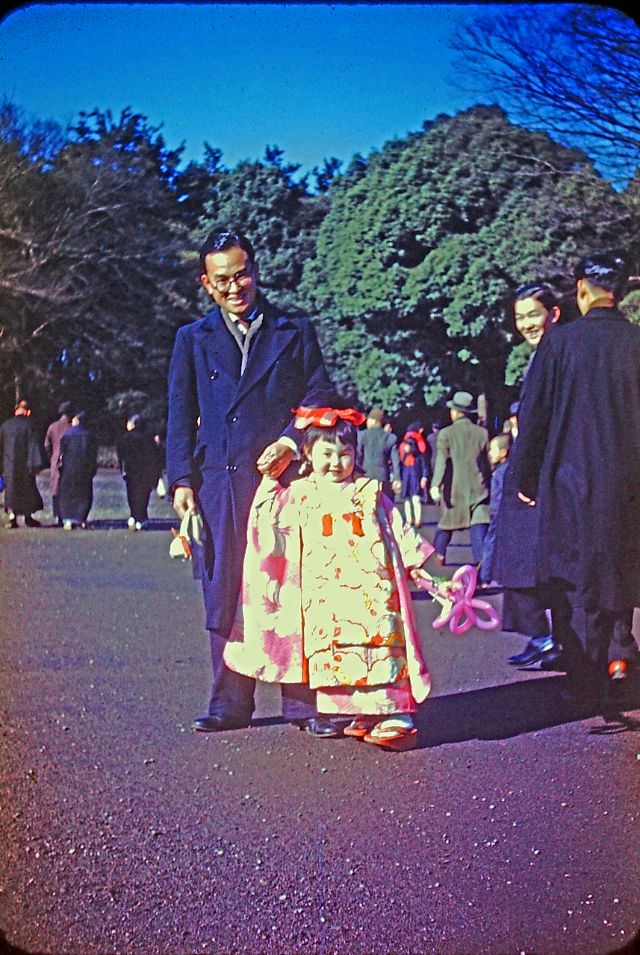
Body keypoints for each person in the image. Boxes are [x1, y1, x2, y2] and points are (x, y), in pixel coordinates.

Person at [167, 229, 332, 734]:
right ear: (207, 285)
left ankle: (304, 705)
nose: (235, 286)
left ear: (255, 271)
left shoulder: (294, 329)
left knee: (292, 586)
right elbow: (179, 412)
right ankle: (229, 703)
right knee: (224, 590)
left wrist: (290, 439)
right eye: (223, 280)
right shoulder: (191, 339)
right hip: (219, 480)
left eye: (242, 274)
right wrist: (181, 480)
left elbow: (320, 393)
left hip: (284, 483)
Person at [223, 405, 434, 751]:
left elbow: (397, 528)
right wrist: (270, 480)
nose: (336, 463)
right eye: (327, 454)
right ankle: (363, 710)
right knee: (338, 652)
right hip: (325, 594)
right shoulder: (301, 493)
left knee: (380, 646)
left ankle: (397, 713)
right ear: (307, 452)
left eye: (345, 454)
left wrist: (418, 565)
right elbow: (270, 521)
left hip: (372, 589)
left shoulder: (368, 491)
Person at [511, 252, 640, 703]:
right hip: (629, 481)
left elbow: (534, 416)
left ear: (583, 289)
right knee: (620, 561)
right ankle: (622, 649)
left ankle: (590, 677)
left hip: (569, 479)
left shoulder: (560, 344)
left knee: (575, 578)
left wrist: (523, 476)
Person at [493, 283, 563, 669]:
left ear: (553, 313)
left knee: (528, 558)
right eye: (520, 317)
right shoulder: (539, 355)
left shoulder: (559, 353)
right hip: (531, 465)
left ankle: (549, 636)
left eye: (533, 314)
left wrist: (525, 474)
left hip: (547, 471)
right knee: (517, 557)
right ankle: (539, 634)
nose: (526, 324)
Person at [430, 392, 490, 565]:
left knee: (446, 524)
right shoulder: (482, 433)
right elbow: (486, 463)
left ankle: (440, 555)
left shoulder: (446, 434)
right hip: (478, 487)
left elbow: (441, 462)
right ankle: (481, 565)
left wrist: (435, 485)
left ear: (455, 412)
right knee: (479, 526)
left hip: (454, 489)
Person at [0, 399, 44, 528]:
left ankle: (12, 518)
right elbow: (34, 446)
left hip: (9, 465)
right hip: (26, 465)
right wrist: (35, 465)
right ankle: (28, 517)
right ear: (26, 411)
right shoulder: (30, 426)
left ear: (16, 409)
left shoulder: (5, 426)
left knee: (11, 491)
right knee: (27, 491)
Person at [116, 415, 161, 530]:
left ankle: (133, 516)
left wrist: (122, 469)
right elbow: (155, 457)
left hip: (131, 470)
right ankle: (141, 517)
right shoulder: (148, 439)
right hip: (145, 471)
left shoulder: (125, 437)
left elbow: (121, 455)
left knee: (131, 494)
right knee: (143, 495)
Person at [478, 433, 511, 589]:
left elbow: (499, 495)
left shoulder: (500, 472)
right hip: (504, 513)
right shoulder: (507, 470)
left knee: (490, 542)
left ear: (504, 452)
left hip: (498, 513)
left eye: (493, 450)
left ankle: (485, 576)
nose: (490, 453)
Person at [58, 411, 98, 530]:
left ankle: (68, 519)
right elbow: (93, 454)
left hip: (69, 468)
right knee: (84, 494)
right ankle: (82, 519)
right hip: (84, 469)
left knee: (67, 494)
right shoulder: (89, 435)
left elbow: (62, 452)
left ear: (77, 420)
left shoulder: (67, 434)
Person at [356, 407, 401, 500]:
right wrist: (397, 478)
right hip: (383, 476)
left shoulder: (362, 435)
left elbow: (358, 456)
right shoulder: (390, 437)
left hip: (364, 475)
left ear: (372, 420)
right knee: (383, 505)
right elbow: (395, 461)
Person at [44, 401, 73, 526]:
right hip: (70, 460)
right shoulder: (72, 427)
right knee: (69, 488)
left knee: (55, 489)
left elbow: (46, 445)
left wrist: (51, 456)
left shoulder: (53, 426)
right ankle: (69, 514)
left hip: (55, 460)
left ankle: (57, 515)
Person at [398, 422, 429, 527]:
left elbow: (424, 467)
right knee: (409, 499)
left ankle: (415, 520)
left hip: (412, 477)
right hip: (410, 477)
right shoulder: (409, 456)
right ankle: (411, 519)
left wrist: (424, 477)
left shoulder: (416, 456)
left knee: (414, 499)